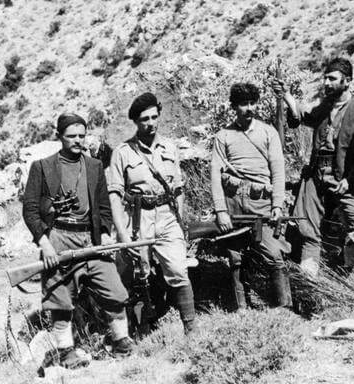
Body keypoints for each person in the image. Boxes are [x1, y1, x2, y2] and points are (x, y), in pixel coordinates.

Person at [22, 112, 132, 365]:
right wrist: (45, 244)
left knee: (115, 291)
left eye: (82, 135)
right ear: (59, 136)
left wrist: (104, 235)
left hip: (90, 239)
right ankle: (66, 352)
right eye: (71, 136)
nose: (77, 140)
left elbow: (104, 207)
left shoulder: (94, 167)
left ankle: (122, 343)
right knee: (60, 300)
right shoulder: (42, 167)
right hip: (58, 237)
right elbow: (30, 210)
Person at [108, 92, 197, 335]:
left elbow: (178, 189)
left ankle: (191, 330)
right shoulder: (122, 152)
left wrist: (179, 221)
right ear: (136, 122)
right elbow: (114, 195)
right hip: (138, 219)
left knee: (178, 270)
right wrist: (122, 234)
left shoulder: (170, 147)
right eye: (144, 119)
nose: (151, 123)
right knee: (140, 274)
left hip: (167, 217)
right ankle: (141, 329)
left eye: (154, 117)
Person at [273, 57, 354, 276]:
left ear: (347, 81)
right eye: (325, 78)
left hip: (345, 177)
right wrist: (286, 95)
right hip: (317, 173)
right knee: (307, 225)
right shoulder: (325, 107)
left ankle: (352, 273)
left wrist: (350, 180)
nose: (326, 83)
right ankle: (309, 272)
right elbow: (302, 115)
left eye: (332, 79)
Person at [210, 82, 291, 309]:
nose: (249, 108)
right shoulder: (223, 136)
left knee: (274, 253)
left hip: (261, 202)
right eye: (243, 104)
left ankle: (284, 307)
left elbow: (278, 172)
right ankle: (241, 308)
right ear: (234, 107)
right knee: (236, 257)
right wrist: (221, 211)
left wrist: (277, 205)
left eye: (252, 103)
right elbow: (215, 175)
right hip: (233, 201)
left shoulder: (268, 132)